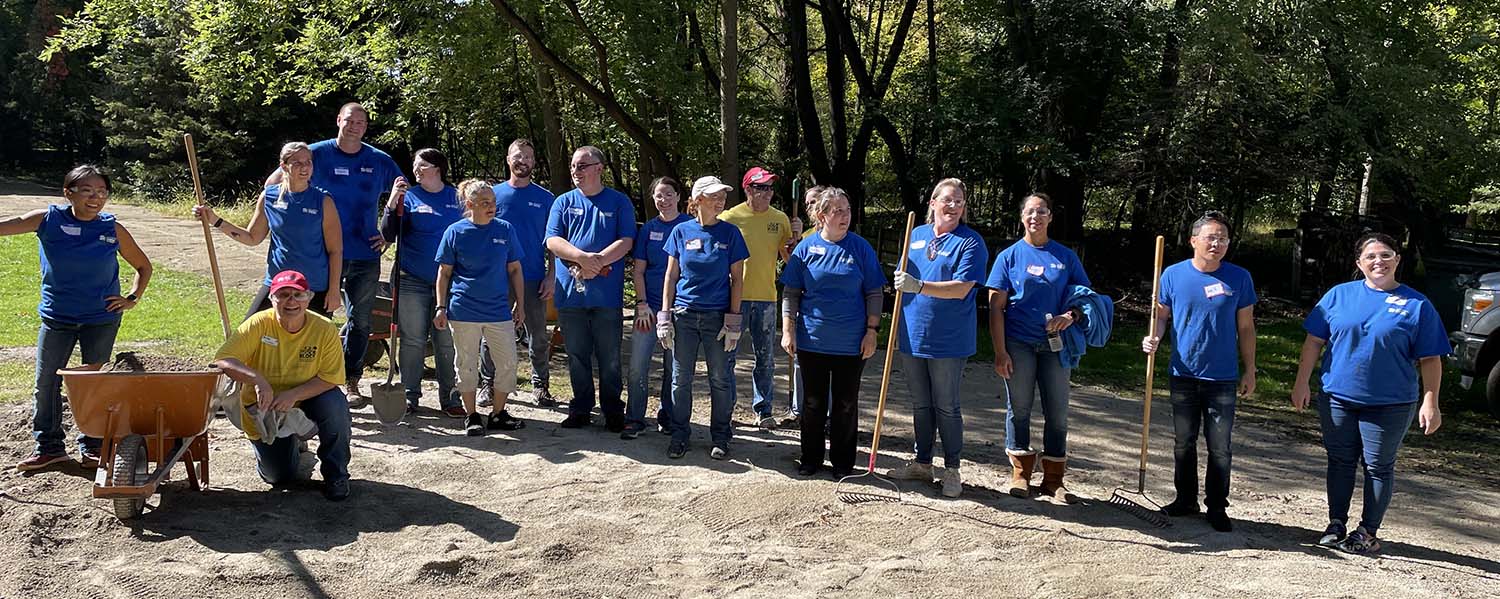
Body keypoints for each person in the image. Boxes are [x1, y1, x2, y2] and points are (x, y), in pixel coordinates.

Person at [1291, 232, 1448, 554]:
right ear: (1359, 264)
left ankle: (1367, 531)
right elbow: (1314, 342)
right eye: (1372, 256)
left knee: (1378, 466)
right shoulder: (1338, 295)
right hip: (1338, 398)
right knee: (1340, 461)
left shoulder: (1417, 305)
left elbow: (1431, 358)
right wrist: (1301, 382)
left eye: (1386, 255)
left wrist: (1430, 400)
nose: (1379, 261)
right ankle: (1336, 524)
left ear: (1398, 260)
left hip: (1390, 403)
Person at [5, 166, 153, 471]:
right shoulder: (47, 220)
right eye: (87, 191)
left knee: (93, 383)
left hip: (101, 318)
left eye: (101, 192)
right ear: (68, 193)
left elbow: (143, 267)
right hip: (57, 317)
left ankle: (93, 446)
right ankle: (50, 448)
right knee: (46, 383)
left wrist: (132, 299)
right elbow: (8, 225)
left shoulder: (112, 228)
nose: (95, 198)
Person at [270, 102, 403, 401]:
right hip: (323, 255)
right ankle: (308, 380)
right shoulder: (316, 153)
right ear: (338, 120)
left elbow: (403, 196)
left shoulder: (379, 160)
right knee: (319, 316)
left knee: (361, 321)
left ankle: (349, 380)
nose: (356, 126)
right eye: (350, 120)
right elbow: (275, 184)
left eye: (362, 122)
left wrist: (387, 235)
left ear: (366, 127)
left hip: (364, 254)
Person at [1141, 211, 1257, 532]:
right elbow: (1161, 316)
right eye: (1211, 237)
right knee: (1183, 440)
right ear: (1194, 241)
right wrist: (1153, 337)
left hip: (1222, 377)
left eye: (1222, 238)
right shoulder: (1173, 276)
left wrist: (1250, 369)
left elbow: (1246, 328)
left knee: (1220, 445)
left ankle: (1217, 505)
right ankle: (1185, 499)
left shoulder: (1239, 278)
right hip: (1183, 372)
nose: (1217, 243)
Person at [887, 179, 989, 498]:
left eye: (959, 201)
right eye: (947, 199)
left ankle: (953, 468)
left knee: (946, 405)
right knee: (921, 404)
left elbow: (961, 288)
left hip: (949, 339)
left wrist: (918, 286)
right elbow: (906, 278)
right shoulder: (914, 236)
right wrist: (899, 281)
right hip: (913, 333)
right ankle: (922, 462)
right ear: (932, 202)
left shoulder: (970, 242)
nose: (954, 205)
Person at [987, 192, 1091, 504]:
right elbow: (995, 308)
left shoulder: (1066, 257)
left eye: (1042, 211)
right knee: (1019, 408)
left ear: (1050, 217)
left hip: (1055, 347)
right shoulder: (1009, 257)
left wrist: (1069, 316)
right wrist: (1000, 351)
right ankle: (1020, 473)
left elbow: (1085, 298)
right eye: (1030, 212)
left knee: (1057, 412)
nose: (1036, 217)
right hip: (1018, 343)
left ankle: (1053, 480)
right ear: (1021, 217)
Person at [213, 270, 352, 501]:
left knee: (335, 405)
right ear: (271, 298)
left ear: (309, 297)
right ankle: (293, 442)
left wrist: (293, 394)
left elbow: (330, 378)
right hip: (265, 407)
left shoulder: (324, 329)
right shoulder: (258, 324)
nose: (291, 301)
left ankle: (336, 475)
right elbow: (223, 360)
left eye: (298, 295)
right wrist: (258, 380)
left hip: (308, 397)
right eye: (283, 295)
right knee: (278, 477)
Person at [780, 187, 884, 478]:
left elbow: (874, 292)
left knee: (846, 404)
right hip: (812, 340)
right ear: (821, 215)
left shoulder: (861, 248)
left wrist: (872, 331)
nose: (844, 216)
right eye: (837, 211)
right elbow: (791, 293)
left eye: (847, 210)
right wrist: (788, 330)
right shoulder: (806, 249)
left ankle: (843, 463)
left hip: (851, 343)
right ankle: (810, 458)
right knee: (812, 403)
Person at [545, 146, 636, 432]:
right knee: (576, 354)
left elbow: (627, 241)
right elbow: (552, 240)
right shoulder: (562, 202)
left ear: (600, 168)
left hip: (606, 297)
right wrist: (582, 259)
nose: (576, 171)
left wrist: (595, 263)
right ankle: (581, 408)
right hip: (570, 294)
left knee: (609, 357)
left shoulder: (619, 202)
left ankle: (612, 411)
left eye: (582, 165)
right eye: (573, 166)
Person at [658, 177, 750, 459]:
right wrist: (664, 316)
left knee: (721, 379)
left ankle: (721, 437)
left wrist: (734, 321)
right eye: (713, 196)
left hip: (717, 318)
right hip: (684, 316)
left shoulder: (731, 234)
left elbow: (737, 280)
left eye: (723, 195)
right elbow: (671, 276)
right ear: (698, 200)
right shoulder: (681, 231)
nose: (720, 200)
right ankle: (679, 434)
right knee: (680, 378)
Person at [197, 142, 343, 319]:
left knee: (308, 344)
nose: (304, 167)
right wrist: (215, 220)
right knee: (249, 333)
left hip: (313, 286)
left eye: (308, 162)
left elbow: (335, 251)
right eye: (297, 163)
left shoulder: (323, 201)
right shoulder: (269, 197)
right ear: (284, 166)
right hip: (278, 281)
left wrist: (334, 290)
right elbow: (252, 238)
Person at [434, 181, 528, 435]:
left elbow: (516, 269)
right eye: (485, 203)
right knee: (466, 364)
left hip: (499, 311)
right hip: (464, 310)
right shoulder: (455, 232)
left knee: (508, 362)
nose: (491, 207)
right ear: (470, 205)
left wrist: (521, 303)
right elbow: (444, 273)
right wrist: (440, 307)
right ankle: (472, 415)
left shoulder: (505, 230)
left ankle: (498, 413)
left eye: (493, 203)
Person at [380, 148, 465, 417]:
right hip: (411, 279)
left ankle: (451, 396)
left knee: (446, 341)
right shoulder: (409, 196)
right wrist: (392, 203)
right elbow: (387, 233)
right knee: (413, 340)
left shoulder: (457, 197)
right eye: (415, 165)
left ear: (437, 168)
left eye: (422, 165)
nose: (416, 170)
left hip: (450, 282)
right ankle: (409, 395)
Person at [482, 139, 557, 408]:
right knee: (492, 331)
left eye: (527, 156)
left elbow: (554, 241)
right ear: (507, 159)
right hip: (497, 277)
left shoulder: (546, 199)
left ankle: (541, 386)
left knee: (538, 334)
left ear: (534, 163)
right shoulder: (492, 194)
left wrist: (552, 276)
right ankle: (487, 384)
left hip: (535, 276)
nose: (522, 161)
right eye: (517, 156)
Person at [720, 167, 792, 429]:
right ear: (748, 189)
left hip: (766, 298)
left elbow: (789, 259)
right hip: (733, 300)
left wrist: (794, 237)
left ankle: (764, 411)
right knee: (728, 356)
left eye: (770, 188)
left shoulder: (780, 218)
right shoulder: (729, 218)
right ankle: (725, 410)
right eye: (761, 188)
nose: (767, 193)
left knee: (765, 359)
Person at [625, 177, 691, 439]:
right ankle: (635, 418)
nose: (663, 200)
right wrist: (642, 304)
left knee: (672, 367)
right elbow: (638, 270)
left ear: (678, 197)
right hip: (649, 310)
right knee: (637, 366)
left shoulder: (689, 226)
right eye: (658, 196)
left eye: (668, 194)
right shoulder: (647, 230)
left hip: (679, 310)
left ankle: (669, 417)